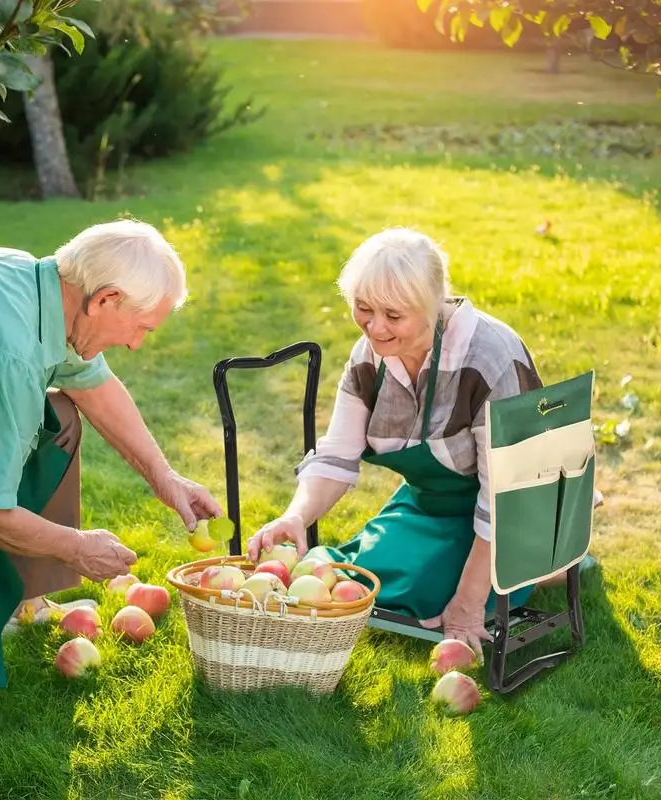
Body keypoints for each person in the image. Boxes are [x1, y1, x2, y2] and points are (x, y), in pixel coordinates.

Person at [0, 219, 221, 705]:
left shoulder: (28, 281)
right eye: (141, 327)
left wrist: (165, 477)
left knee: (60, 419)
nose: (136, 344)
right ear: (106, 299)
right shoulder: (5, 352)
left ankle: (21, 604)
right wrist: (76, 547)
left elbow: (95, 386)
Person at [248, 227, 598, 659]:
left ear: (433, 305)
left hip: (517, 510)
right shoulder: (368, 357)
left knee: (430, 594)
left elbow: (505, 498)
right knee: (361, 580)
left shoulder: (488, 358)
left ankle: (554, 563)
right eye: (363, 308)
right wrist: (296, 516)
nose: (375, 327)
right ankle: (523, 569)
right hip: (429, 505)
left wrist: (468, 603)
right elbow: (337, 454)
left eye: (393, 315)